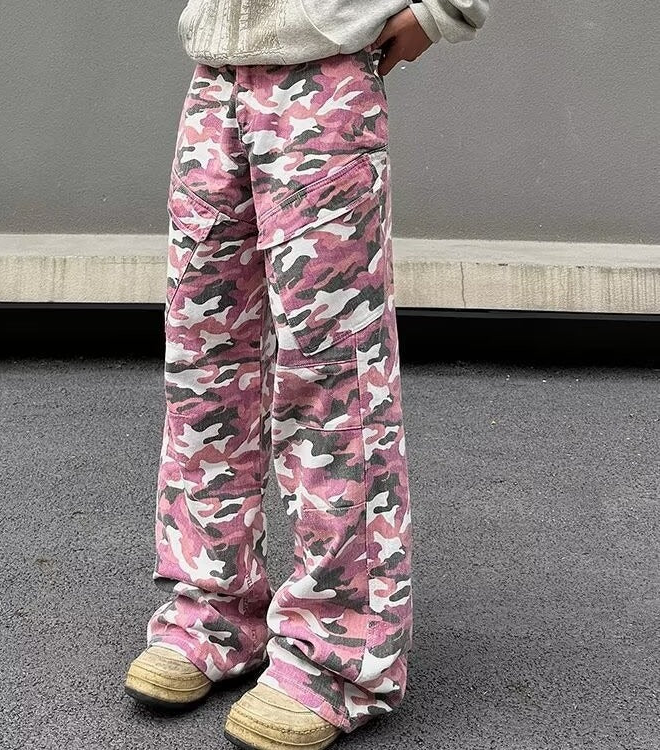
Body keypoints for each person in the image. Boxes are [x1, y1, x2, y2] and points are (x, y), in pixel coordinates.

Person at [125, 2, 490, 748]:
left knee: (333, 373)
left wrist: (440, 9)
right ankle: (216, 606)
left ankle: (340, 651)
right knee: (204, 358)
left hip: (322, 81)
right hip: (216, 74)